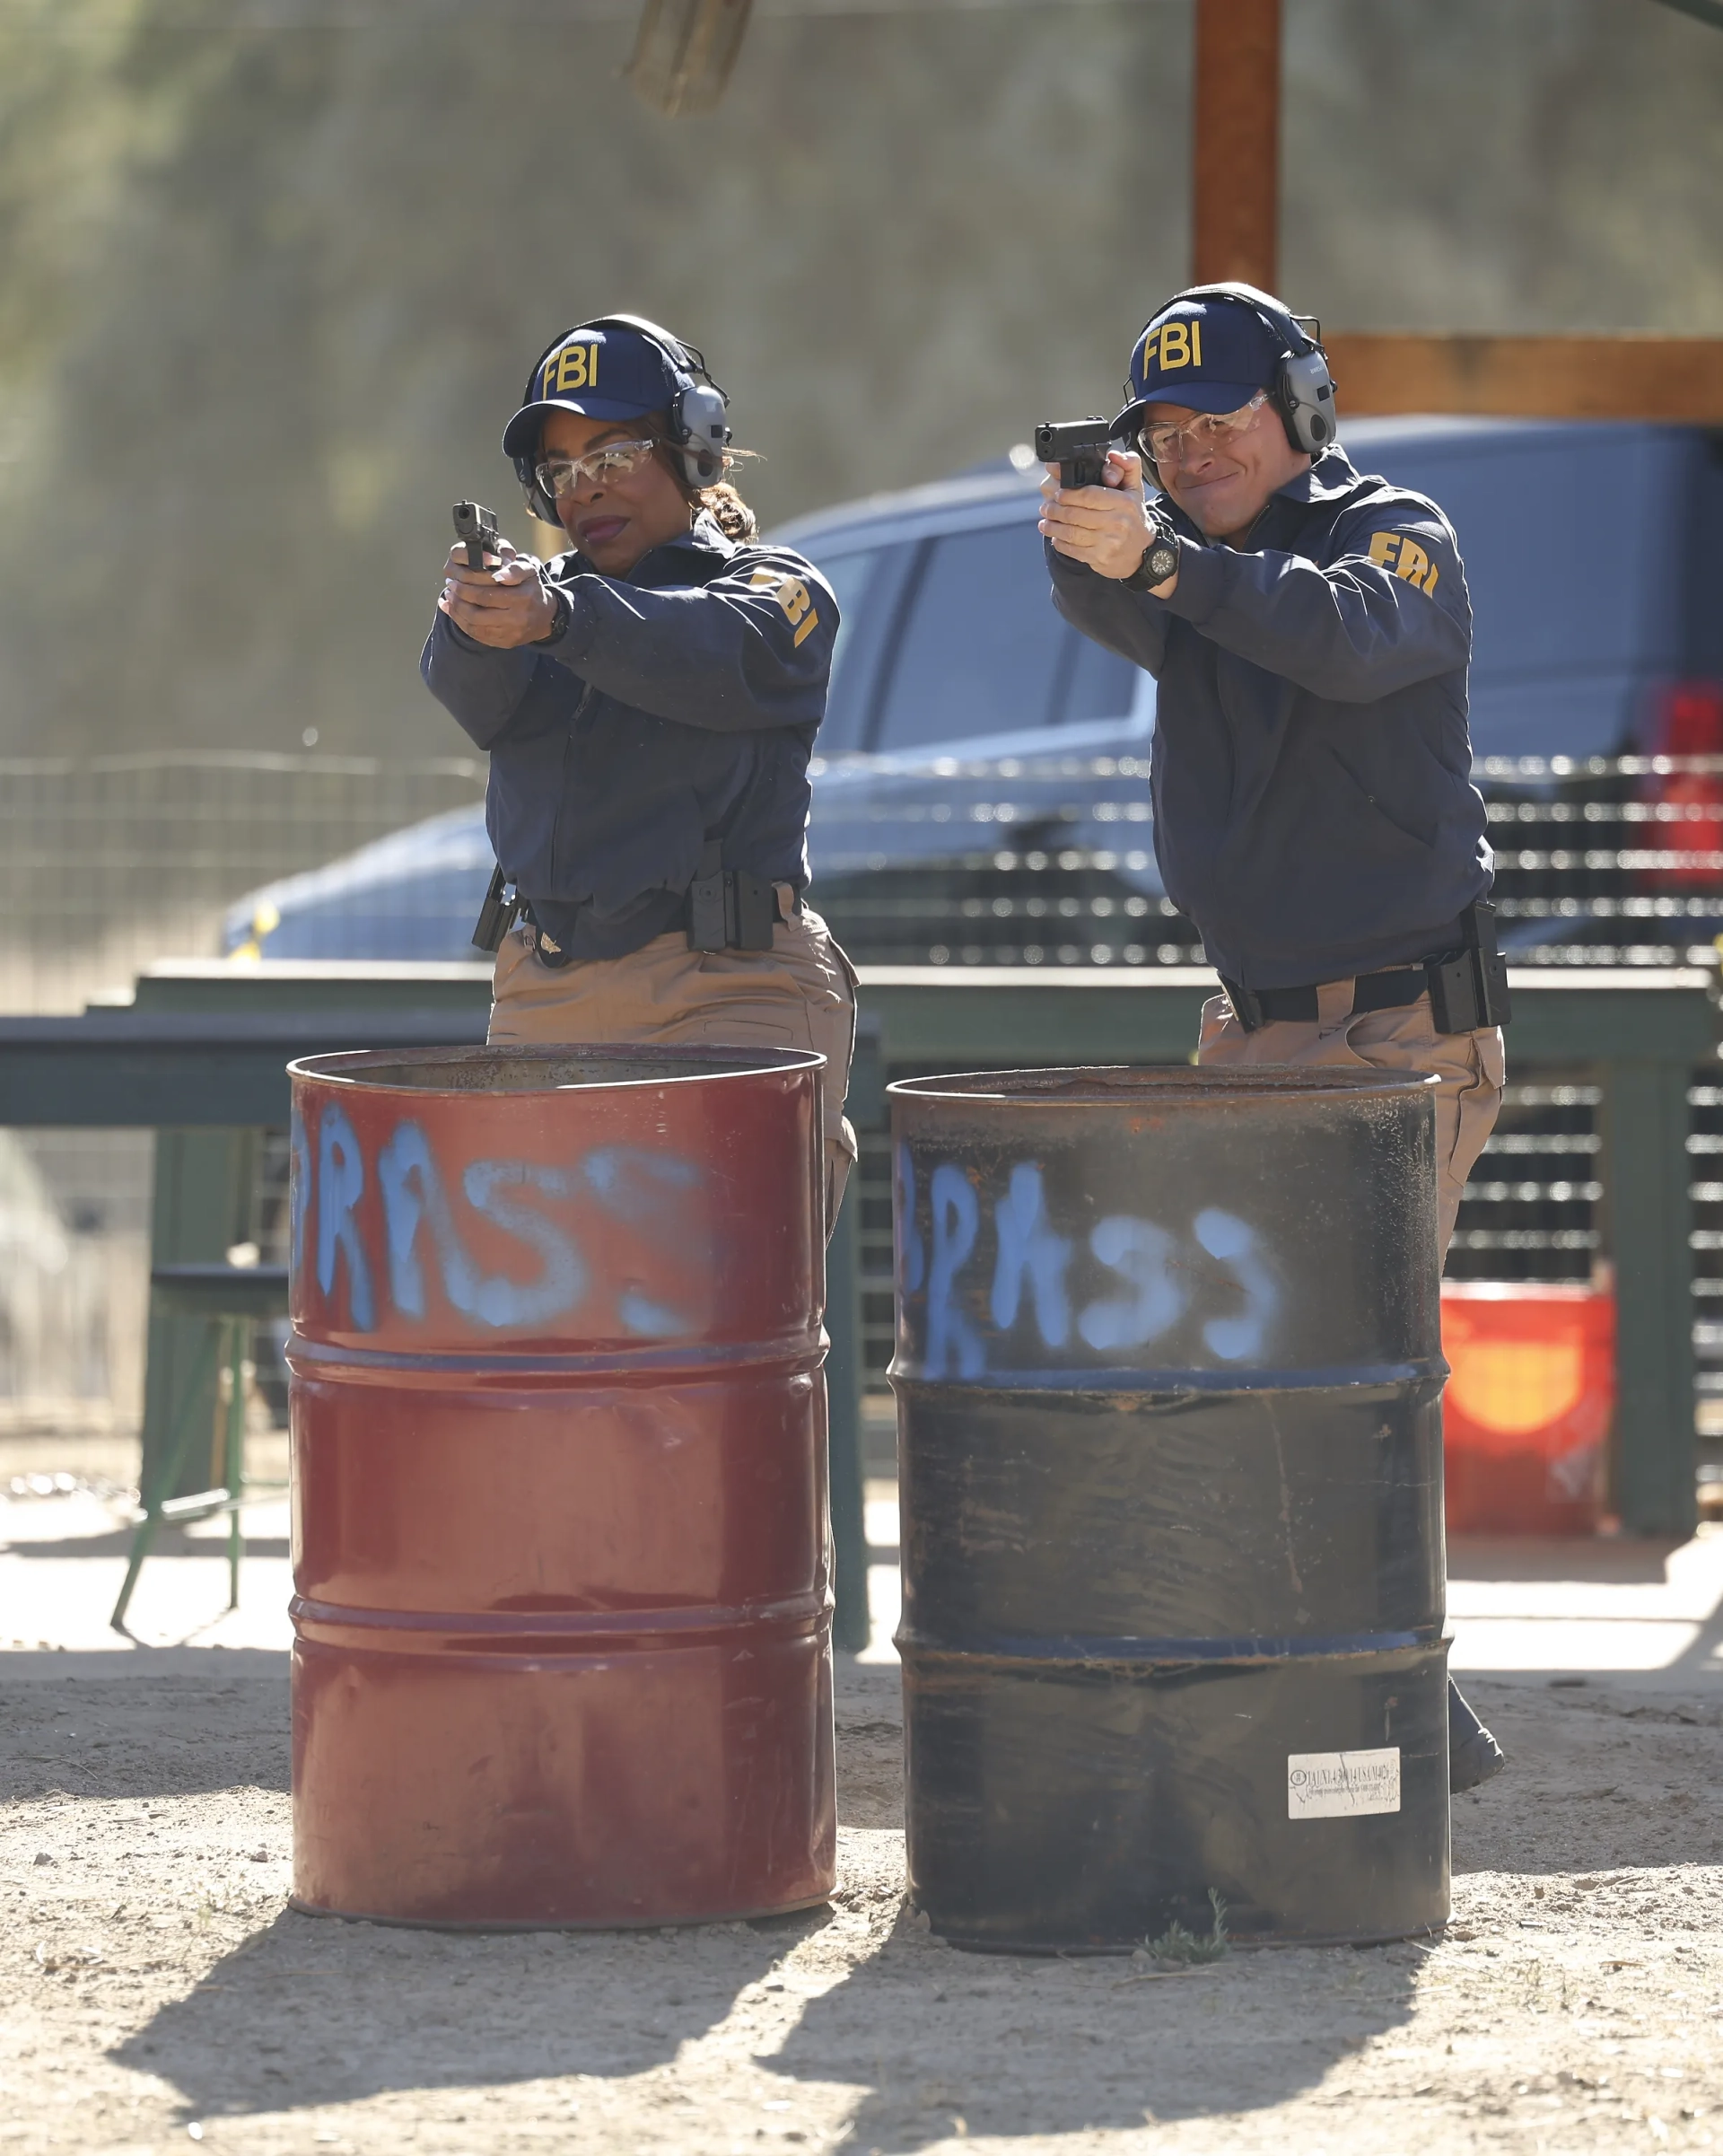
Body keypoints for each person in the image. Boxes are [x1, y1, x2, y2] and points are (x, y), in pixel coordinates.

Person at [1039, 281, 1509, 1793]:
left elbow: (1351, 636)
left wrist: (1170, 554)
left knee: (1329, 1380)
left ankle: (1377, 1733)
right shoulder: (1197, 572)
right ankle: (1374, 1713)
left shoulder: (1398, 531)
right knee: (1253, 1382)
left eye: (1219, 419)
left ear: (1299, 413)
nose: (1189, 451)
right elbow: (1105, 590)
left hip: (1394, 1030)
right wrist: (1106, 524)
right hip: (1256, 1038)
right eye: (1163, 433)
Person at [422, 313, 857, 1225]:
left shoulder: (776, 588)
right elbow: (473, 695)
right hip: (549, 992)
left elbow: (716, 651)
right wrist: (477, 615)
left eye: (613, 454)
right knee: (554, 1342)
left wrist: (559, 619)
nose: (586, 489)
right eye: (563, 471)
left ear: (695, 449)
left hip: (730, 990)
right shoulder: (548, 606)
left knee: (721, 1332)